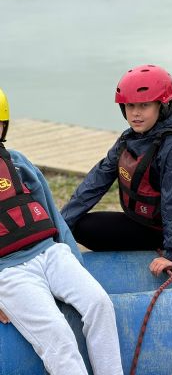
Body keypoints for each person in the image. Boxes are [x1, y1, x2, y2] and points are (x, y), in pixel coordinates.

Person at [0, 89, 123, 374]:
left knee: (100, 303)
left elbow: (53, 216)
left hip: (51, 253)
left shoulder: (17, 161)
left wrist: (75, 266)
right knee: (58, 336)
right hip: (8, 272)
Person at [61, 64, 172, 277]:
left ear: (163, 105)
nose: (135, 113)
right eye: (130, 105)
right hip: (136, 219)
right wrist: (61, 222)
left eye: (144, 105)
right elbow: (96, 181)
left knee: (84, 229)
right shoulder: (130, 138)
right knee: (76, 224)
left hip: (157, 230)